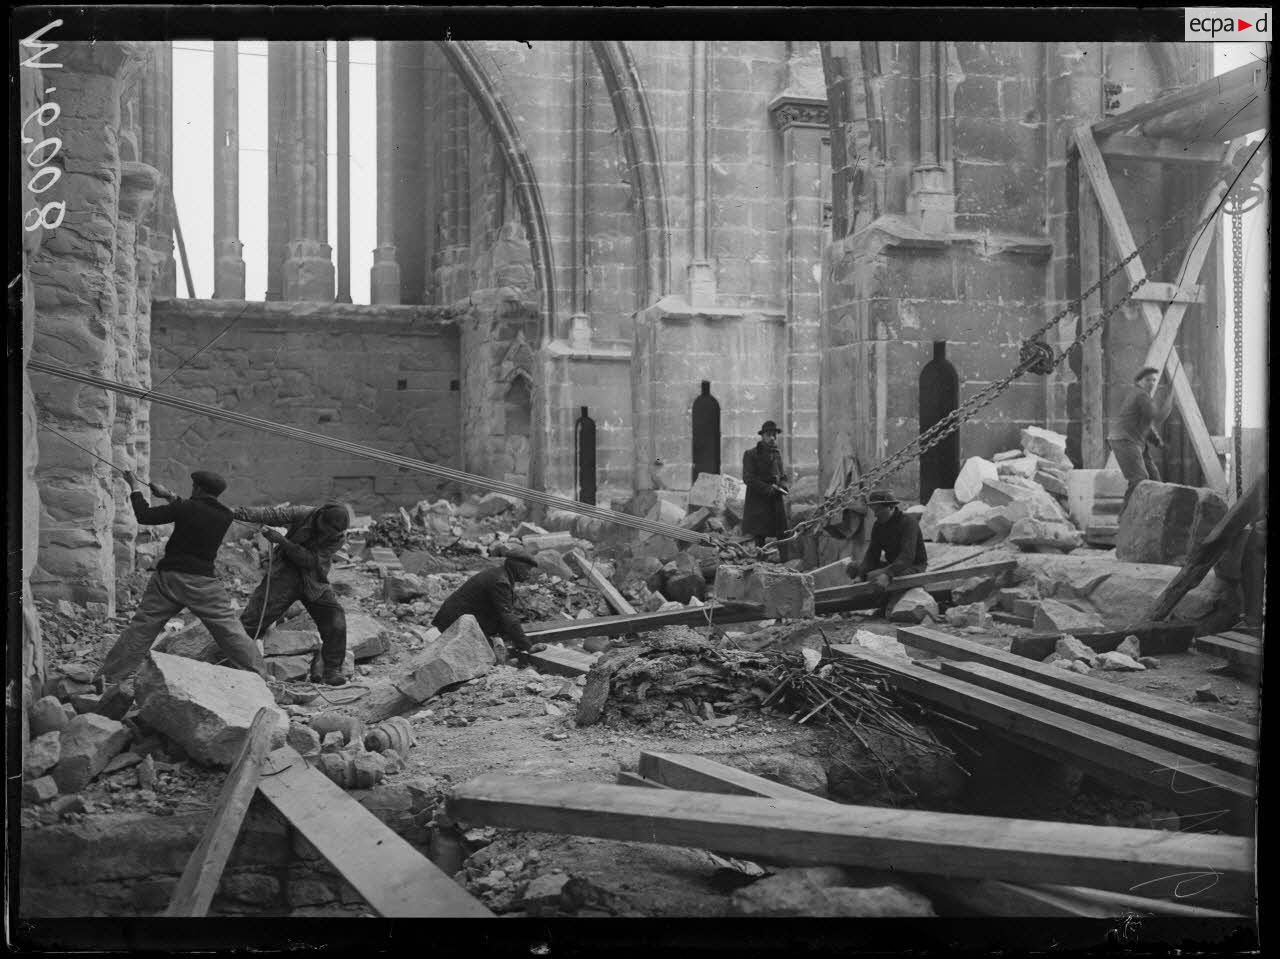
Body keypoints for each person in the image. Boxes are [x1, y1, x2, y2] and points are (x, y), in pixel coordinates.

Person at [97, 470, 271, 686]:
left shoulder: (185, 508)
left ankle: (109, 678)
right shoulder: (225, 515)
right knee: (230, 630)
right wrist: (168, 494)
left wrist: (134, 487)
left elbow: (145, 516)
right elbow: (194, 509)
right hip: (203, 583)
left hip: (168, 578)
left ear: (197, 488)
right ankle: (261, 677)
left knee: (142, 627)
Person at [232, 501, 352, 687]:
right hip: (284, 575)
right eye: (326, 529)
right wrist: (235, 512)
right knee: (253, 619)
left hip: (314, 580)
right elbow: (270, 514)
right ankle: (231, 659)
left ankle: (331, 669)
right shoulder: (303, 513)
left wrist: (281, 541)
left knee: (335, 620)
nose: (329, 535)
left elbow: (310, 561)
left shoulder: (338, 537)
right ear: (320, 517)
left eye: (333, 533)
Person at [431, 550, 546, 663]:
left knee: (492, 651)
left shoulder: (499, 574)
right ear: (518, 567)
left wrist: (517, 640)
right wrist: (527, 646)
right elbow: (507, 616)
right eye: (527, 569)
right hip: (455, 622)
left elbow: (503, 613)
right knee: (487, 660)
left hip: (459, 618)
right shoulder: (500, 582)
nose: (529, 574)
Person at [1107, 365, 1174, 512]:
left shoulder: (1141, 396)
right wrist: (1170, 400)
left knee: (1155, 481)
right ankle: (1125, 517)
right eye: (1148, 380)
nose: (1151, 383)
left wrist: (1157, 442)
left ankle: (1153, 515)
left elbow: (1147, 424)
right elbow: (1157, 417)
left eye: (1154, 380)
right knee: (1139, 479)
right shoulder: (1140, 395)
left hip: (1135, 442)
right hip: (1124, 440)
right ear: (1139, 381)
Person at [845, 488, 928, 599]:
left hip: (912, 566)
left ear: (891, 507)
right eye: (874, 510)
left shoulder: (908, 523)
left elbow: (907, 557)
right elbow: (872, 555)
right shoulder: (878, 526)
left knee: (874, 577)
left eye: (878, 510)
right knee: (854, 567)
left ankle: (882, 602)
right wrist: (860, 575)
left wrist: (887, 575)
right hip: (893, 565)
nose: (875, 515)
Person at [742, 420, 790, 550]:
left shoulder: (777, 453)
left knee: (782, 533)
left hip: (775, 499)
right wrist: (768, 488)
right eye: (769, 435)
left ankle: (786, 563)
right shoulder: (751, 454)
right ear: (762, 436)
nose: (772, 438)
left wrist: (783, 486)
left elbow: (783, 475)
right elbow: (748, 478)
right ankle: (759, 564)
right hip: (759, 500)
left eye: (774, 435)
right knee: (760, 535)